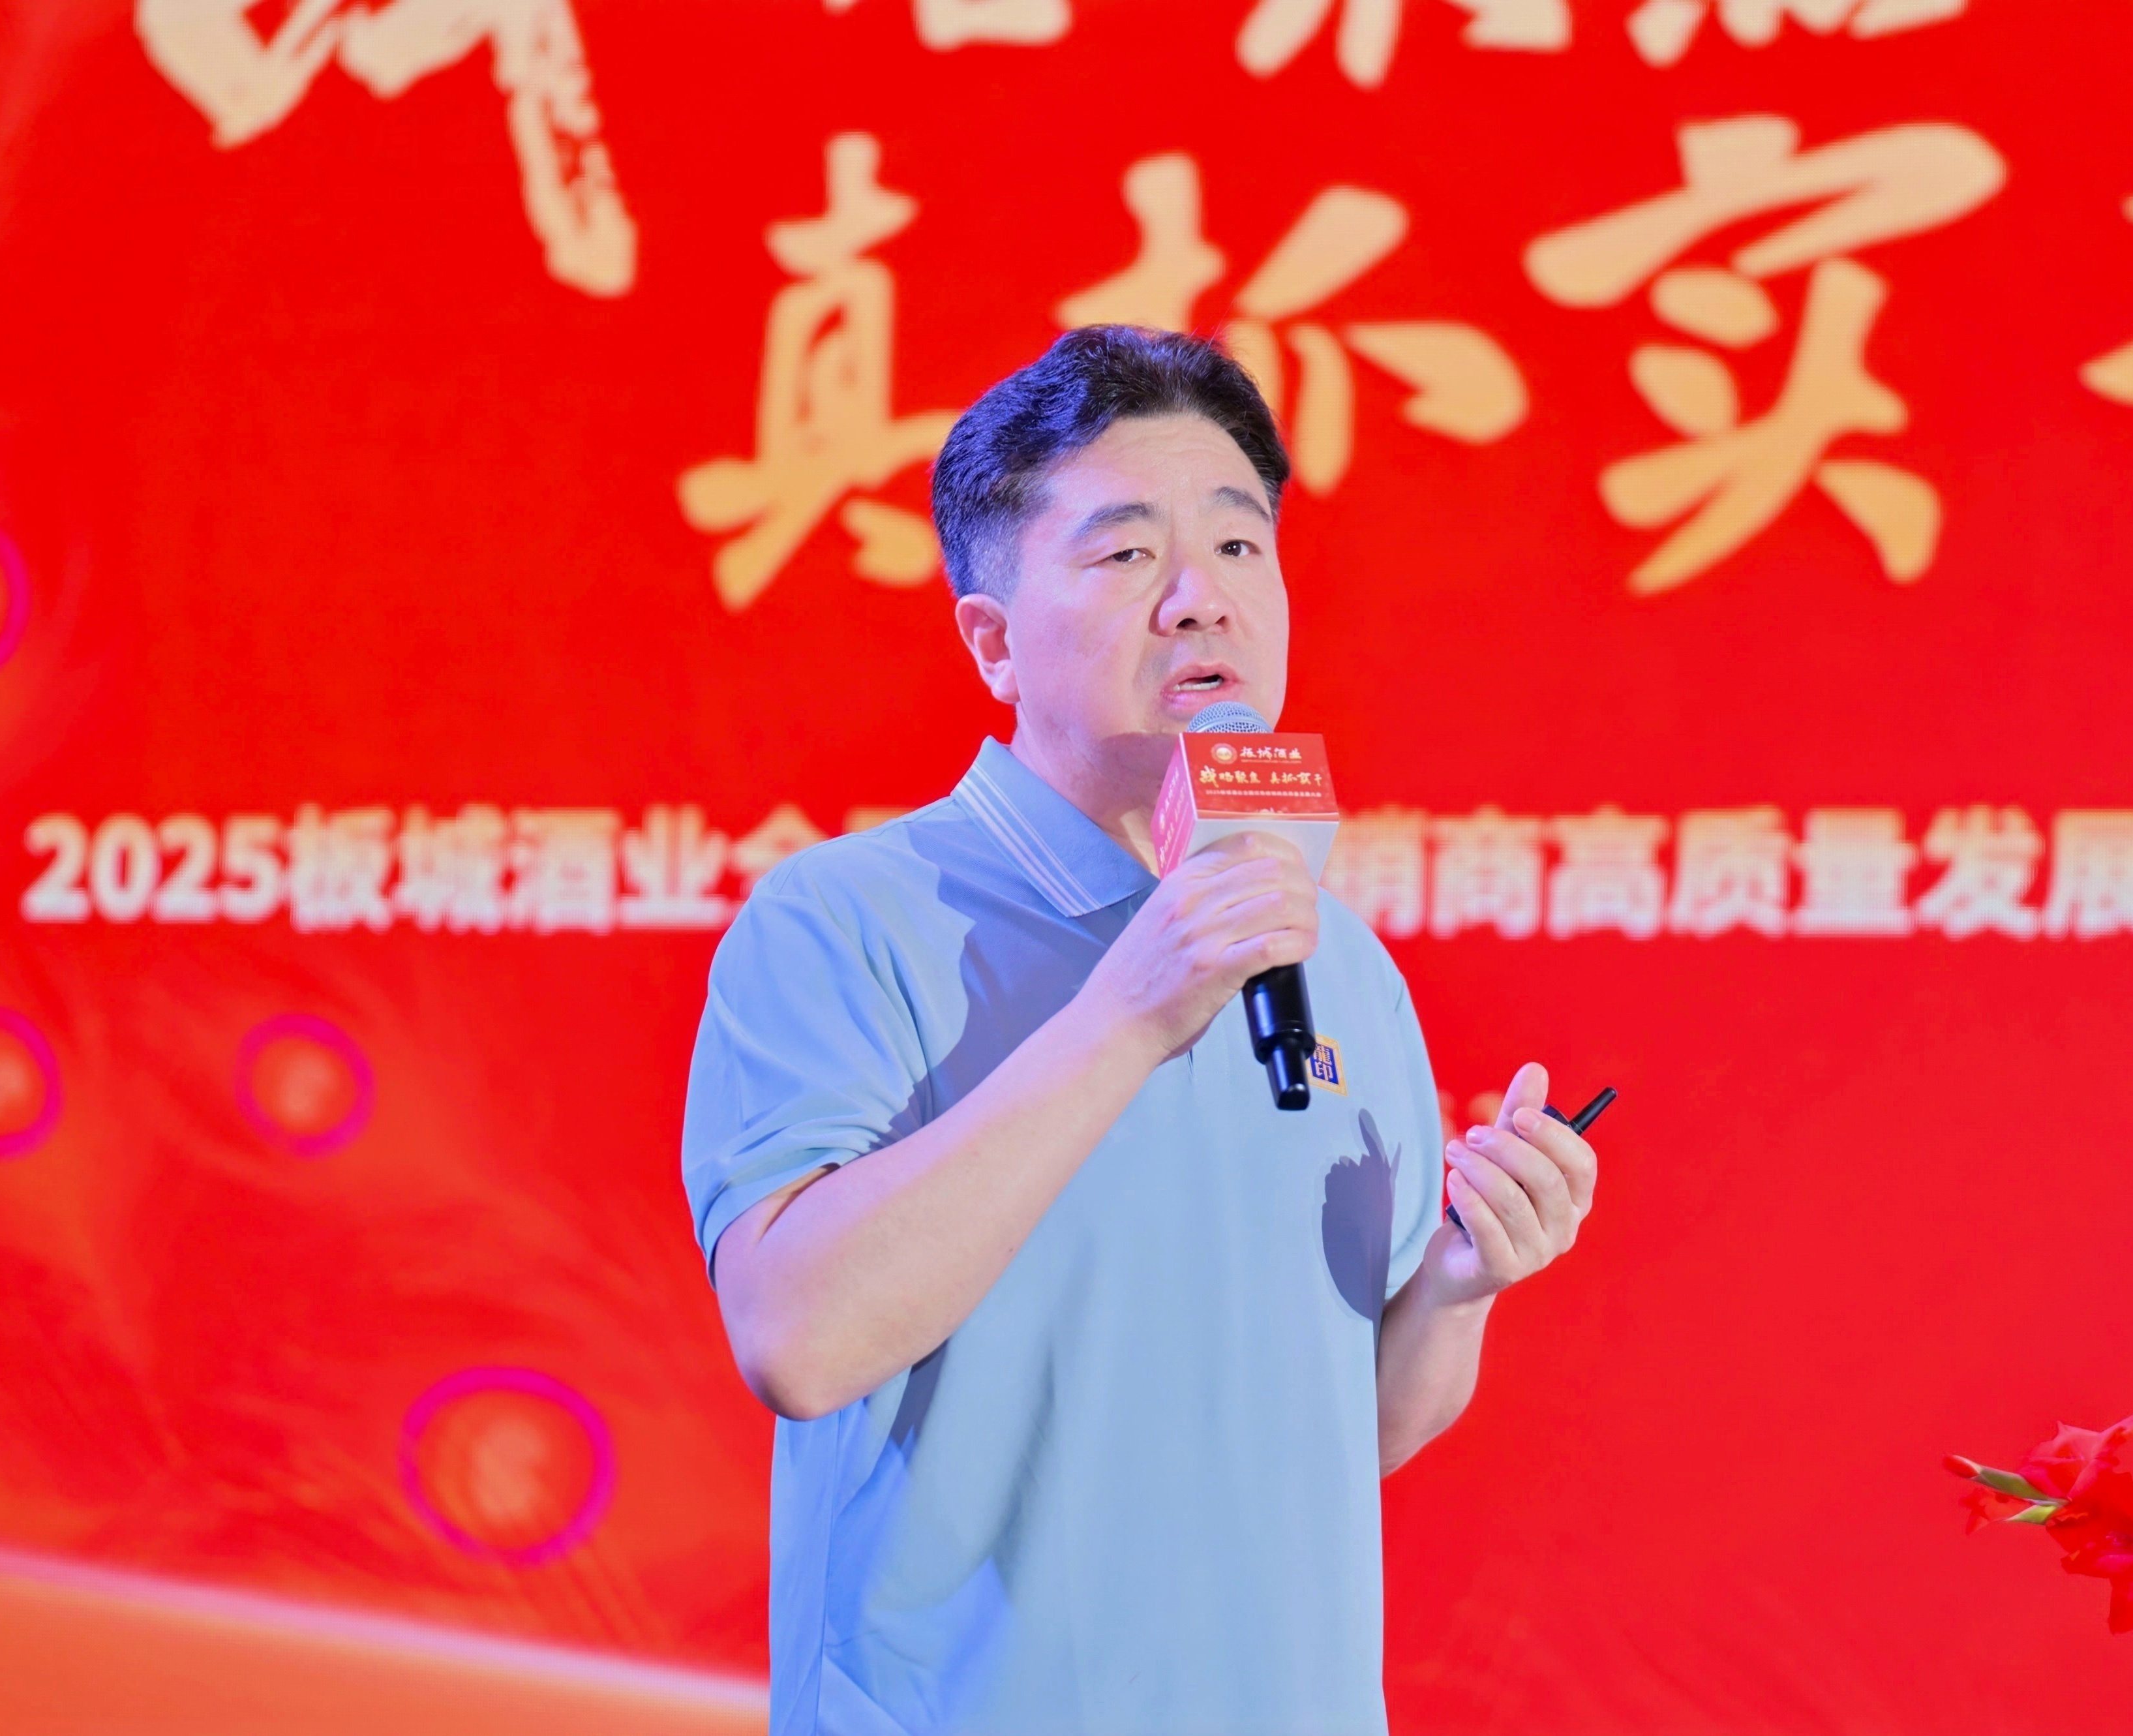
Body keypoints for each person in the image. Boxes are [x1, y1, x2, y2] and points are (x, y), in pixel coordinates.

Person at [682, 325, 1598, 1736]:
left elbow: (1347, 1433)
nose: (1199, 601)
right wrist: (1127, 1010)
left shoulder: (1336, 955)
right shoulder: (844, 919)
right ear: (992, 641)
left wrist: (1459, 1283)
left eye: (1237, 546)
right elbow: (800, 1338)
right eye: (1124, 554)